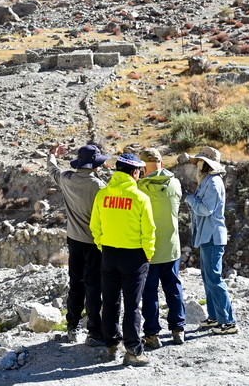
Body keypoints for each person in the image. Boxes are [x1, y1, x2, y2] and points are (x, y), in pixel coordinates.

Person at [89, 153, 156, 367]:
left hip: (108, 254)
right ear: (134, 172)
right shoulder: (140, 198)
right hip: (134, 256)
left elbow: (94, 226)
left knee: (110, 301)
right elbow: (149, 231)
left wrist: (103, 246)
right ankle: (133, 351)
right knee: (132, 305)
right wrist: (148, 253)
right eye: (139, 172)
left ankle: (112, 345)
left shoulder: (102, 195)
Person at [47, 142, 108, 346]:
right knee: (93, 286)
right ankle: (94, 332)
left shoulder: (67, 179)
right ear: (94, 165)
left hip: (73, 240)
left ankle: (72, 326)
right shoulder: (99, 187)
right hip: (94, 243)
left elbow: (53, 169)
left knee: (76, 283)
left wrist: (52, 155)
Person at [185, 145, 237, 335]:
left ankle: (228, 322)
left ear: (205, 163)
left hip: (213, 237)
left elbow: (206, 210)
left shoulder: (214, 183)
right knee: (208, 279)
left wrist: (189, 199)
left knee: (214, 279)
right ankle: (214, 317)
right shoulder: (208, 181)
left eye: (199, 161)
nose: (197, 164)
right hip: (208, 236)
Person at [138, 146, 186, 348]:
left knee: (149, 293)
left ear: (142, 168)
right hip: (171, 246)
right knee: (173, 287)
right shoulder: (175, 184)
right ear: (162, 164)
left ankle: (152, 335)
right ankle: (178, 330)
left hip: (149, 250)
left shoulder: (139, 188)